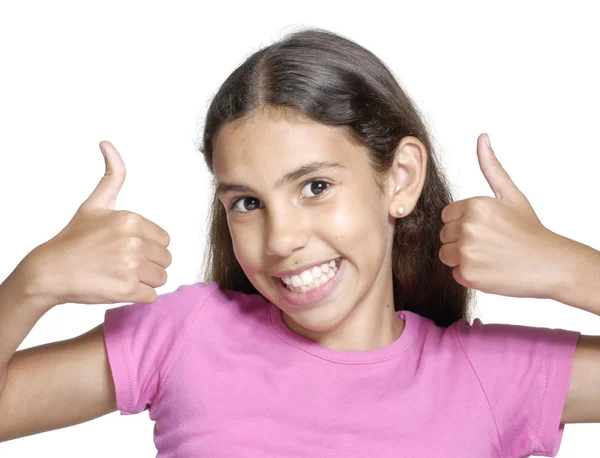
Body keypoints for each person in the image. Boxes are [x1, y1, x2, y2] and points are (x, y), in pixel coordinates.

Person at [0, 27, 597, 457]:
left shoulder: (491, 375)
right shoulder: (185, 334)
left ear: (401, 179)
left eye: (315, 186)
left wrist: (565, 269)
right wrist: (33, 285)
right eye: (248, 203)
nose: (282, 239)